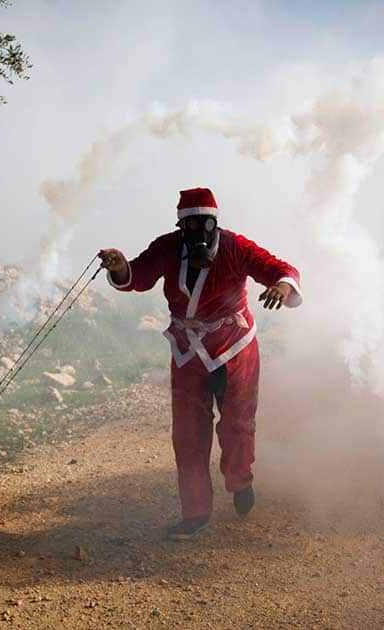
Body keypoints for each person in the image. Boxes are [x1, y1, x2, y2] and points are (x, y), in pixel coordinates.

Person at [99, 187, 302, 540]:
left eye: (205, 224)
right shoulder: (166, 247)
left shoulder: (236, 247)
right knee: (188, 433)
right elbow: (139, 276)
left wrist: (282, 288)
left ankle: (240, 480)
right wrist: (120, 268)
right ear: (181, 227)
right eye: (190, 226)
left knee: (238, 423)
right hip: (188, 349)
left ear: (215, 223)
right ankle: (195, 512)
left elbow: (279, 269)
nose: (199, 234)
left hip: (233, 346)